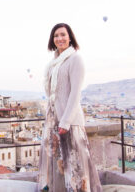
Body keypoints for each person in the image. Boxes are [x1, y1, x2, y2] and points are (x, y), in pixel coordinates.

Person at [38, 23, 102, 192]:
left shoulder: (75, 59)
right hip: (53, 120)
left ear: (70, 37)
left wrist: (65, 121)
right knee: (57, 163)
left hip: (69, 120)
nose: (59, 39)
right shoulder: (53, 63)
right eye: (56, 36)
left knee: (75, 164)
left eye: (63, 35)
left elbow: (75, 93)